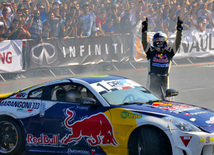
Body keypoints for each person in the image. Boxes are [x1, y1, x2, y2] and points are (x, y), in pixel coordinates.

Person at [141, 17, 183, 98]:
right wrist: (144, 30)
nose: (159, 44)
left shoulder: (169, 52)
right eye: (157, 42)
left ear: (165, 42)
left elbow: (177, 43)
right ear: (154, 43)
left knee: (165, 100)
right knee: (151, 100)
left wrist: (180, 30)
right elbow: (144, 42)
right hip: (151, 81)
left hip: (165, 81)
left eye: (161, 42)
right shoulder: (150, 52)